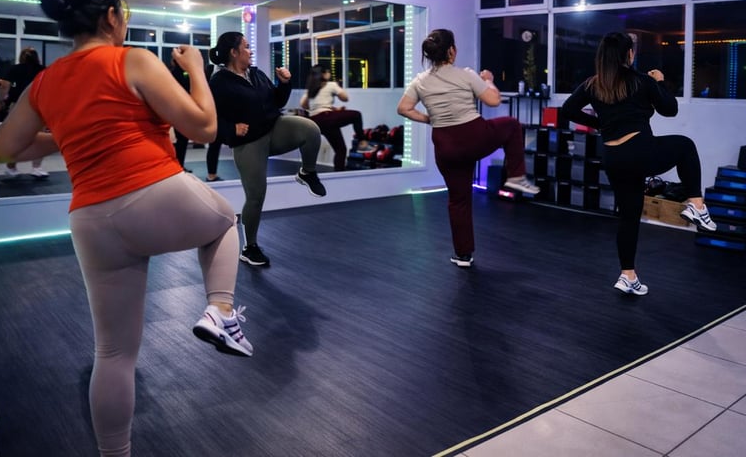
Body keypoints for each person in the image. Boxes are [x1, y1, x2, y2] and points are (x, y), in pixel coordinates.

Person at [0, 0, 252, 457]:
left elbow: (5, 150)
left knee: (112, 353)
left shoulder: (45, 82)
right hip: (152, 189)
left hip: (91, 220)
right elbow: (205, 126)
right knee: (224, 223)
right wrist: (197, 69)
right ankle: (220, 311)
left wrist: (69, 133)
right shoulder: (132, 59)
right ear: (111, 16)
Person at [560, 31, 716, 296]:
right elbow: (670, 109)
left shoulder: (593, 84)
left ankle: (628, 275)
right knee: (685, 145)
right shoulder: (641, 80)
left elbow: (568, 110)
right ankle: (697, 205)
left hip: (613, 157)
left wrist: (601, 124)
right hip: (639, 151)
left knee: (629, 216)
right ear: (629, 54)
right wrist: (659, 82)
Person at [397, 28, 539, 268]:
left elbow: (403, 108)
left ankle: (463, 255)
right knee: (512, 125)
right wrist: (488, 80)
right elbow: (493, 100)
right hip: (473, 137)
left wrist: (429, 119)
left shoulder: (420, 81)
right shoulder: (466, 74)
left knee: (458, 200)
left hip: (445, 146)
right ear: (451, 51)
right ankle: (516, 177)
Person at [209, 31, 326, 266]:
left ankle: (307, 172)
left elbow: (276, 101)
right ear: (234, 52)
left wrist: (284, 83)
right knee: (256, 197)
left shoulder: (256, 73)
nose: (250, 51)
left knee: (310, 130)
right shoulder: (219, 82)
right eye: (246, 47)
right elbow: (210, 116)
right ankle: (249, 247)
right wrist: (231, 129)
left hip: (274, 128)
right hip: (249, 142)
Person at [300, 64, 369, 171]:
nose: (329, 74)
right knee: (356, 115)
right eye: (328, 72)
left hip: (316, 123)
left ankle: (338, 173)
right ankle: (362, 142)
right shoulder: (331, 85)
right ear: (323, 74)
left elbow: (303, 104)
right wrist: (338, 88)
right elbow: (345, 98)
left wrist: (331, 109)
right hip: (327, 118)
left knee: (341, 149)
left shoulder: (311, 88)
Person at [3, 47, 49, 178]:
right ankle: (37, 168)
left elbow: (5, 85)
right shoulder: (43, 70)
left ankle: (11, 168)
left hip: (18, 105)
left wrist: (2, 100)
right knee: (40, 137)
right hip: (37, 105)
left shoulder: (15, 69)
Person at [168, 58, 193, 172]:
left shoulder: (178, 74)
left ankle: (179, 166)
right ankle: (178, 166)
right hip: (180, 112)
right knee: (181, 141)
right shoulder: (181, 74)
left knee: (181, 141)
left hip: (178, 111)